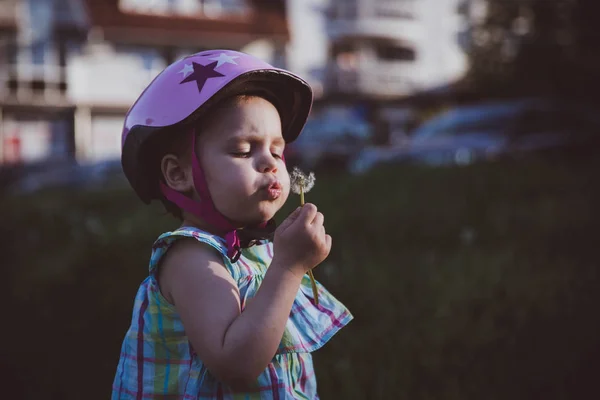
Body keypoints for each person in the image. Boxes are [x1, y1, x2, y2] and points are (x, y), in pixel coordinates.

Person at [112, 49, 353, 399]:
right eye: (243, 150)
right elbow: (236, 365)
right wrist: (289, 267)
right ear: (179, 174)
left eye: (277, 150)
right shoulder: (192, 259)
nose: (270, 163)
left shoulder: (258, 251)